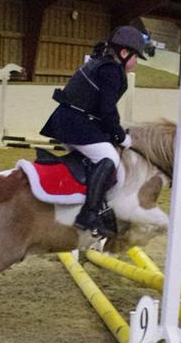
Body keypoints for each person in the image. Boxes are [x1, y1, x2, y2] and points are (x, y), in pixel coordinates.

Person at [40, 26, 150, 237]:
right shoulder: (110, 70)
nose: (136, 62)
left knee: (102, 154)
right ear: (124, 53)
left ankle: (95, 207)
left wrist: (113, 134)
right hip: (74, 124)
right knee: (109, 158)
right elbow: (107, 110)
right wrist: (120, 135)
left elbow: (98, 109)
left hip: (70, 121)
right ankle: (88, 214)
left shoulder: (101, 63)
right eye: (136, 56)